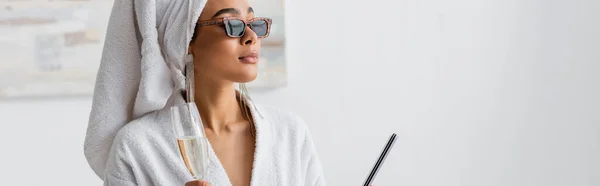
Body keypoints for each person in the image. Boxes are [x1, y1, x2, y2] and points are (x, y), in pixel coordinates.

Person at [84, 0, 328, 185]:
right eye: (232, 25)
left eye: (254, 23)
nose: (251, 37)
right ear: (185, 37)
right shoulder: (137, 147)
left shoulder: (291, 133)